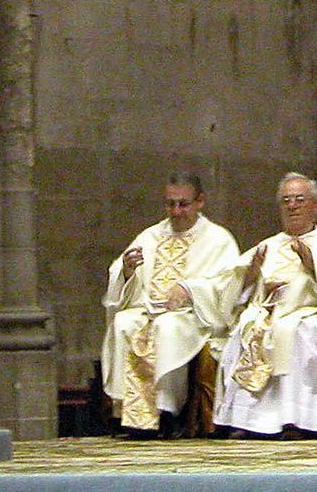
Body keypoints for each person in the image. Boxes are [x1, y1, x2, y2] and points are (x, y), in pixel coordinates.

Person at [179, 172, 317, 439]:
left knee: (293, 331)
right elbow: (227, 284)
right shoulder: (267, 245)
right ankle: (246, 420)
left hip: (310, 315)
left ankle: (294, 420)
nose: (292, 206)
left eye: (300, 199)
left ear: (315, 206)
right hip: (265, 313)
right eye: (286, 200)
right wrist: (250, 275)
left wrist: (315, 267)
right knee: (246, 328)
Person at [101, 174, 238, 435]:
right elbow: (121, 272)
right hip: (150, 310)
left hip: (193, 316)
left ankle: (167, 411)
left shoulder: (218, 239)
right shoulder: (150, 235)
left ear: (200, 202)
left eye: (183, 204)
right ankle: (133, 414)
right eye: (170, 204)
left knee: (168, 327)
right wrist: (128, 273)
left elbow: (227, 285)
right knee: (123, 322)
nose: (176, 212)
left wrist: (189, 289)